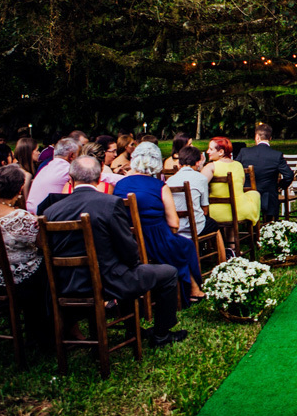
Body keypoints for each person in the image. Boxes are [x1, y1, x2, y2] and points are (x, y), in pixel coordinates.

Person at [43, 156, 187, 347]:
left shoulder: (52, 211)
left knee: (126, 269)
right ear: (98, 178)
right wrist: (132, 264)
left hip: (66, 283)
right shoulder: (110, 204)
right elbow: (128, 249)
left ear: (71, 178)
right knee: (168, 273)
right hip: (108, 282)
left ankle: (131, 329)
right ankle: (161, 334)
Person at [114, 142, 204, 303]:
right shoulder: (160, 186)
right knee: (186, 245)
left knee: (179, 245)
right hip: (155, 240)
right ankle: (193, 289)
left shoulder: (120, 185)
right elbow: (174, 223)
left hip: (127, 241)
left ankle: (192, 288)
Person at [0, 164, 47, 338]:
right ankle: (42, 332)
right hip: (15, 281)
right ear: (20, 188)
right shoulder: (19, 217)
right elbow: (44, 244)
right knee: (48, 268)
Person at [236, 124, 294, 221]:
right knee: (271, 193)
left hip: (247, 196)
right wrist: (280, 185)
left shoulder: (244, 152)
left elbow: (235, 169)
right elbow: (289, 175)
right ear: (270, 138)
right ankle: (269, 226)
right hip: (268, 199)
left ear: (257, 137)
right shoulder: (276, 155)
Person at [201, 136, 260, 225]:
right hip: (240, 211)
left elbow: (199, 184)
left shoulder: (211, 167)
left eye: (210, 149)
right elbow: (241, 185)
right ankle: (232, 238)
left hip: (217, 213)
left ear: (221, 152)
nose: (207, 151)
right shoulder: (238, 165)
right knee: (254, 194)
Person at [166, 145, 219, 240]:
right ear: (198, 163)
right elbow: (205, 210)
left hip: (175, 226)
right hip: (195, 227)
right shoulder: (201, 178)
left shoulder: (169, 180)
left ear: (179, 163)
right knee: (214, 225)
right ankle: (224, 254)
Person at [26, 138, 80, 214]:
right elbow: (93, 176)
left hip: (32, 212)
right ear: (71, 156)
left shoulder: (45, 168)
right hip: (44, 217)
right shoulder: (67, 169)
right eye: (78, 155)